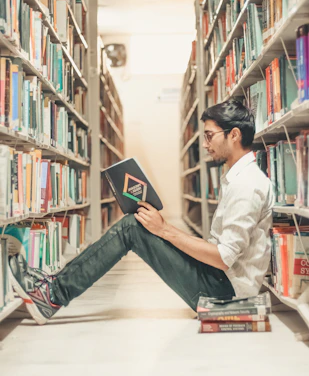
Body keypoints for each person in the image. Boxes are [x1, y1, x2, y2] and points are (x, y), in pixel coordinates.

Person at [9, 99, 274, 325]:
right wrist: (164, 231)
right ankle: (53, 286)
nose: (204, 144)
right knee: (136, 224)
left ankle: (52, 294)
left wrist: (164, 230)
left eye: (209, 135)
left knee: (131, 228)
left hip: (223, 293)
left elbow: (223, 259)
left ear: (235, 135)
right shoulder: (239, 178)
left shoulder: (247, 186)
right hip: (218, 279)